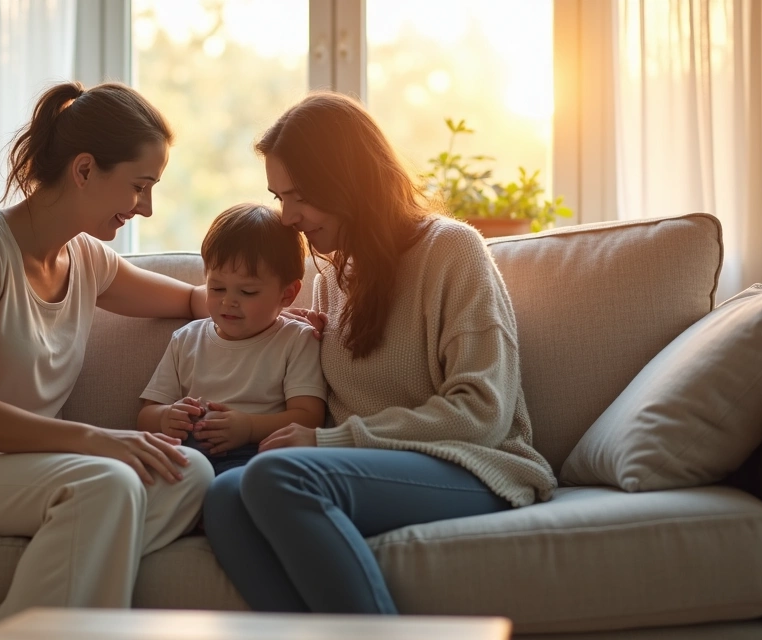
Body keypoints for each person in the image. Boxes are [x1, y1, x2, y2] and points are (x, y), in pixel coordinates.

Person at [0, 81, 216, 627]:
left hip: (20, 471)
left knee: (187, 471)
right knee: (109, 481)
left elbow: (192, 300)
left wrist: (276, 310)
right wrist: (99, 440)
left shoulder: (86, 260)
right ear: (85, 169)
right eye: (139, 186)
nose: (145, 207)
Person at [202, 92, 559, 614]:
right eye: (279, 197)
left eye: (299, 195)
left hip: (474, 463)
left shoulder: (451, 251)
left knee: (277, 476)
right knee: (224, 497)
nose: (287, 217)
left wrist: (330, 441)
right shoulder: (333, 279)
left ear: (348, 181)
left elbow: (482, 412)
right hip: (366, 467)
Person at [136, 203, 327, 475]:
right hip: (187, 455)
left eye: (247, 291)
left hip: (256, 454)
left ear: (287, 294)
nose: (228, 301)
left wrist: (248, 428)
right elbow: (145, 416)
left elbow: (309, 418)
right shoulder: (186, 339)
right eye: (216, 287)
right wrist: (167, 417)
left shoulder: (296, 339)